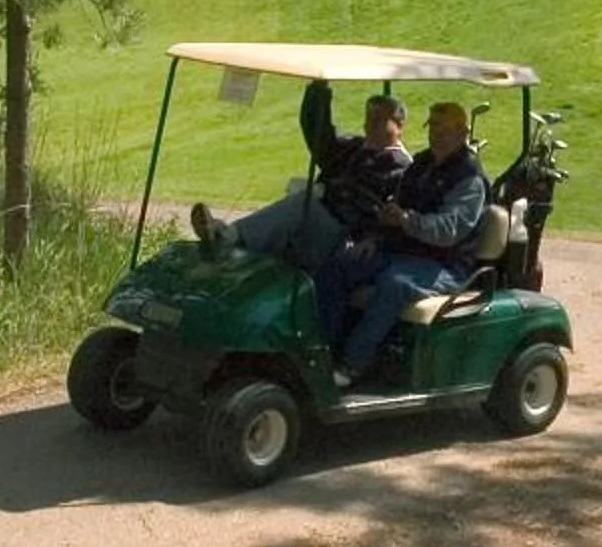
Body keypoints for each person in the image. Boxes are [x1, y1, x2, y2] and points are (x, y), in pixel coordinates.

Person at [315, 99, 488, 387]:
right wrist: (377, 235)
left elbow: (449, 229)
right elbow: (397, 204)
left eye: (444, 129)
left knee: (395, 284)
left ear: (462, 133)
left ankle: (351, 365)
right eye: (433, 127)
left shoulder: (469, 179)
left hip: (445, 264)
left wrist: (407, 221)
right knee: (340, 264)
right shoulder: (420, 165)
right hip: (403, 252)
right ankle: (321, 350)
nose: (437, 135)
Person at [190, 80, 408, 269]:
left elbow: (396, 217)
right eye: (368, 118)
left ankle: (226, 238)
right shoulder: (353, 148)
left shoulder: (402, 167)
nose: (369, 125)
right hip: (319, 227)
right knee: (300, 206)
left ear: (398, 126)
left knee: (303, 204)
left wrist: (373, 236)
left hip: (348, 238)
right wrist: (318, 89)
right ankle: (225, 239)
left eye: (379, 120)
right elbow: (318, 133)